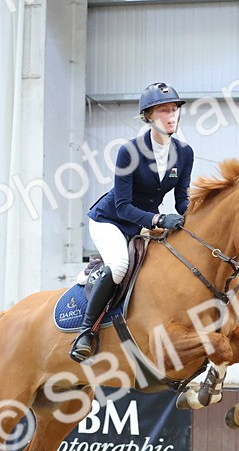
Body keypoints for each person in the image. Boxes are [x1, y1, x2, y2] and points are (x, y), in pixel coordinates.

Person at [70, 82, 195, 362]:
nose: (171, 115)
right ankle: (86, 331)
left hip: (143, 223)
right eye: (164, 111)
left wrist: (193, 220)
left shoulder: (184, 153)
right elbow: (123, 206)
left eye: (174, 110)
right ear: (149, 116)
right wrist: (159, 219)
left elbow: (182, 200)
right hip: (110, 220)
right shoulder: (130, 151)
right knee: (119, 265)